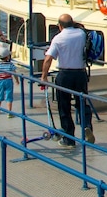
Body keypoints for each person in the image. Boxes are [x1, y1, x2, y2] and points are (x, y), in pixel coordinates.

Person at [39, 14, 93, 146]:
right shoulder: (81, 34)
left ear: (59, 25)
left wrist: (43, 77)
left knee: (64, 106)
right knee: (82, 102)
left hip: (64, 75)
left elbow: (48, 59)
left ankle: (69, 138)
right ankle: (87, 126)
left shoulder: (58, 38)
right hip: (80, 73)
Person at [0, 45, 16, 118]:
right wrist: (17, 80)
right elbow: (14, 73)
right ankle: (9, 112)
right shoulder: (11, 65)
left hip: (0, 82)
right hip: (9, 81)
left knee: (0, 95)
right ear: (8, 57)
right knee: (9, 96)